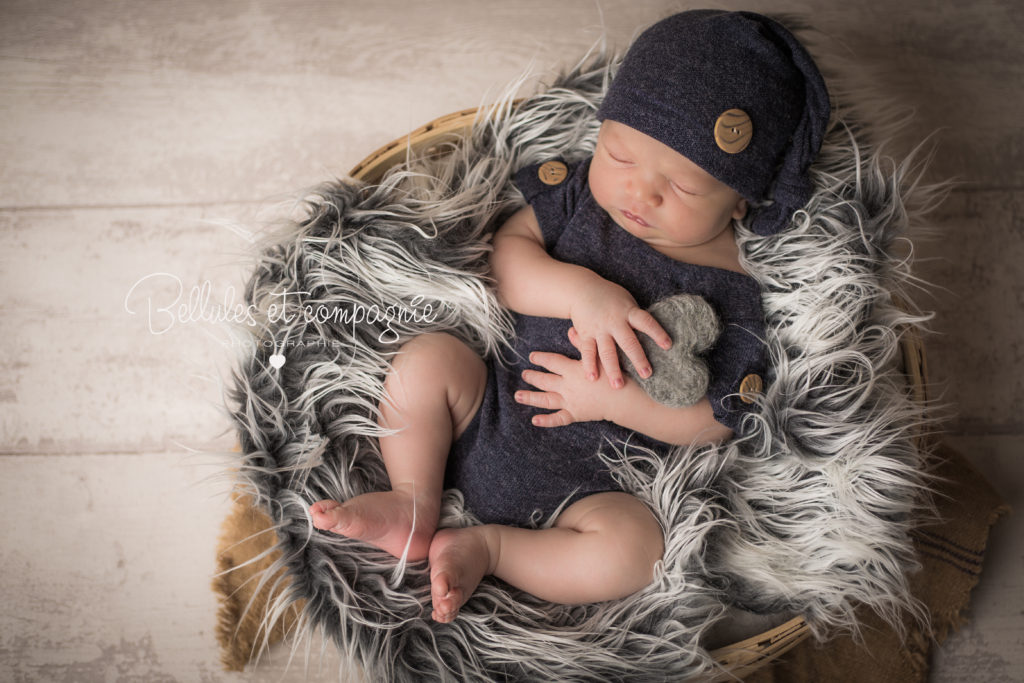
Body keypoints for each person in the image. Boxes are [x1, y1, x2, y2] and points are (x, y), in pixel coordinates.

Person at [310, 9, 830, 623]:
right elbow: (505, 260)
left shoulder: (734, 295)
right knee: (429, 362)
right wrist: (580, 292)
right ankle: (413, 499)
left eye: (684, 187)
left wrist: (615, 404)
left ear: (741, 197)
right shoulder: (583, 198)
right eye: (620, 154)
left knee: (638, 552)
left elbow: (715, 422)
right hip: (488, 405)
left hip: (594, 492)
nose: (640, 192)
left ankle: (491, 548)